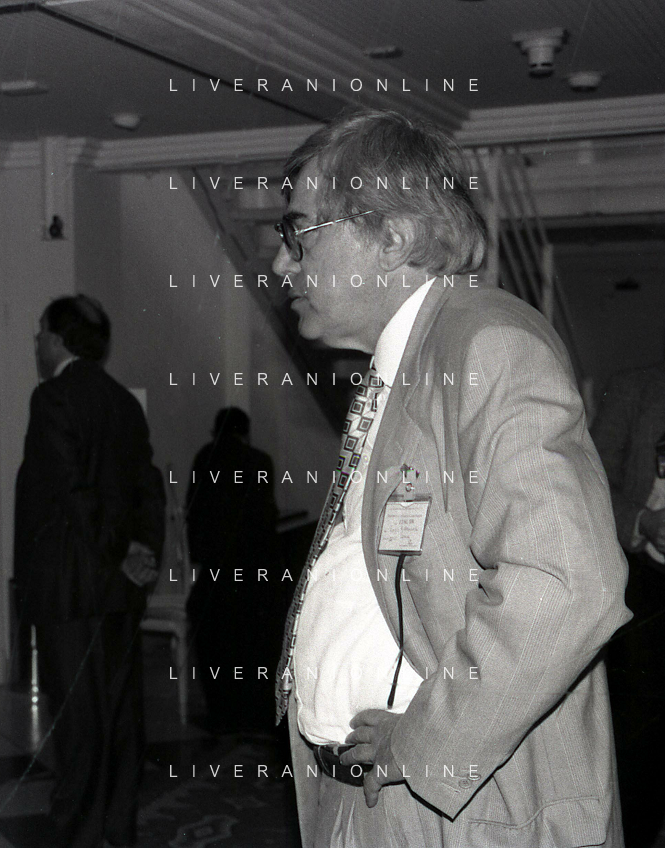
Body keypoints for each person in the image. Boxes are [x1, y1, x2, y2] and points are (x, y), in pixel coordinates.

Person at [270, 110, 630, 846]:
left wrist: (424, 743)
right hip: (368, 798)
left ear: (392, 238)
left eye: (299, 233)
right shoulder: (404, 363)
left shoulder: (487, 343)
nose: (282, 264)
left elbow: (569, 582)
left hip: (452, 809)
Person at [14, 294, 165, 848]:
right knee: (121, 719)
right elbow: (148, 486)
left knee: (77, 724)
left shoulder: (51, 397)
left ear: (57, 340)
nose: (36, 342)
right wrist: (143, 552)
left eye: (39, 332)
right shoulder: (123, 401)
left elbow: (73, 491)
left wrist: (120, 550)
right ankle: (118, 831)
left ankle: (77, 836)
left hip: (70, 591)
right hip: (121, 590)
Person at [593, 358, 665, 847]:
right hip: (643, 583)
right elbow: (590, 478)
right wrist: (643, 522)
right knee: (639, 738)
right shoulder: (633, 386)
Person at [185, 406, 282, 732]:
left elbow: (193, 513)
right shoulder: (260, 461)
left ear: (216, 431)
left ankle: (220, 714)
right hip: (252, 572)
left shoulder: (204, 457)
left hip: (216, 571)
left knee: (214, 645)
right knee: (253, 644)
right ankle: (253, 715)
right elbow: (266, 516)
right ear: (246, 432)